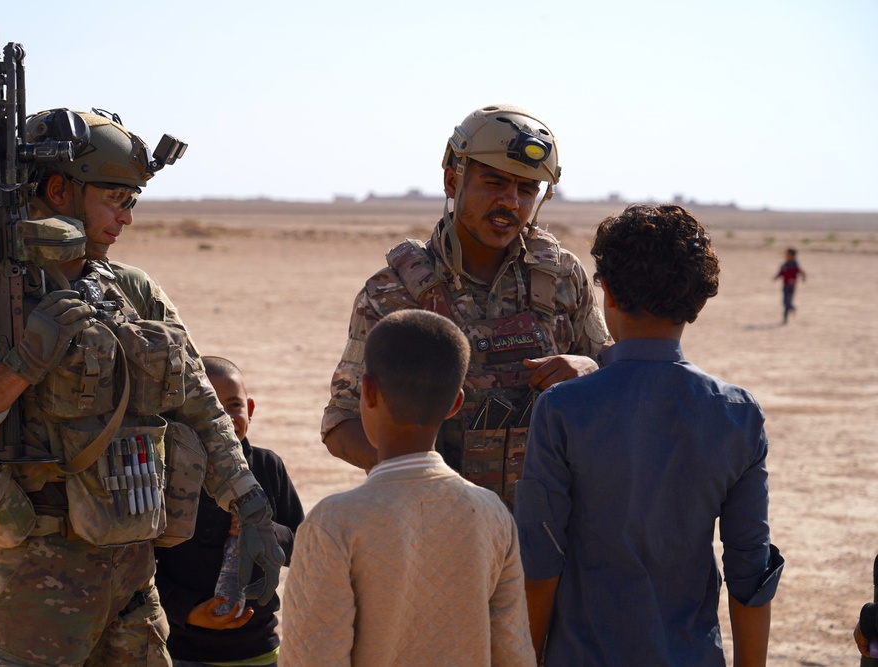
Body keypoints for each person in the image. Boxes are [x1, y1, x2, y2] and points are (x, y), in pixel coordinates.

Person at [0, 108, 284, 666]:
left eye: (134, 201)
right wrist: (17, 370)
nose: (127, 217)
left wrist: (249, 503)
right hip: (30, 598)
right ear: (59, 189)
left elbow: (200, 403)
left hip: (132, 588)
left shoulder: (133, 290)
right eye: (118, 198)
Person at [515, 204, 785, 666]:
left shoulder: (562, 409)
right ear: (698, 304)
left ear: (609, 293)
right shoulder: (737, 414)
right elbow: (750, 571)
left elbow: (539, 564)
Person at [322, 103, 611, 508]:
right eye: (494, 182)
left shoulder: (563, 276)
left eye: (526, 189)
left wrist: (592, 370)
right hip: (443, 527)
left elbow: (620, 388)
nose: (510, 202)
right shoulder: (391, 294)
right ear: (452, 180)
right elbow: (341, 422)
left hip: (552, 529)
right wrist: (419, 474)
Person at [282, 309, 536, 666]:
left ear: (367, 391)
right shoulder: (493, 514)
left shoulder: (333, 523)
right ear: (456, 404)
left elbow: (312, 656)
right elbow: (513, 653)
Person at [156, 356, 303, 667]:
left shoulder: (266, 466)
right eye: (209, 410)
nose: (222, 420)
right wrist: (189, 611)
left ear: (249, 410)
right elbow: (146, 565)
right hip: (184, 648)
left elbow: (302, 547)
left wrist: (264, 528)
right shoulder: (167, 475)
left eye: (233, 406)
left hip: (258, 647)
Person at [774, 247, 806, 324]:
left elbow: (802, 272)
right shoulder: (784, 264)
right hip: (785, 285)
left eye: (787, 254)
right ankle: (792, 308)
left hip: (791, 286)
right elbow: (781, 273)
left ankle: (785, 319)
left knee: (788, 301)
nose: (785, 255)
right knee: (784, 302)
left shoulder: (795, 265)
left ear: (791, 255)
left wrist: (803, 278)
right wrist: (776, 277)